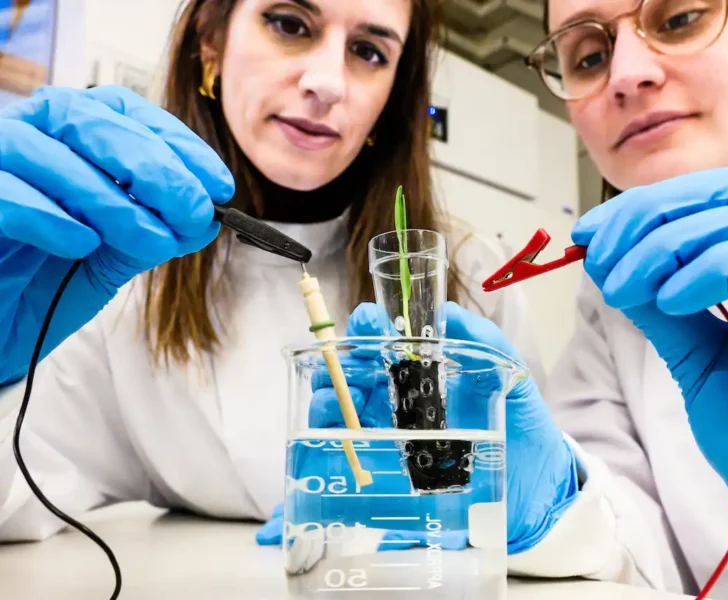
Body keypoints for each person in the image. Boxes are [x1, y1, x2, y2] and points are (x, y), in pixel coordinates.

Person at [303, 0, 728, 598]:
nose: (626, 73)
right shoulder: (611, 294)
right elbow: (630, 551)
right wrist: (550, 500)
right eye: (588, 55)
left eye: (679, 18)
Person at [0, 0, 544, 542]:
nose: (328, 82)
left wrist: (527, 520)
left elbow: (555, 506)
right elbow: (19, 492)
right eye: (289, 24)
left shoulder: (464, 276)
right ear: (211, 41)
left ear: (394, 95)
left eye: (369, 51)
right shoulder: (118, 272)